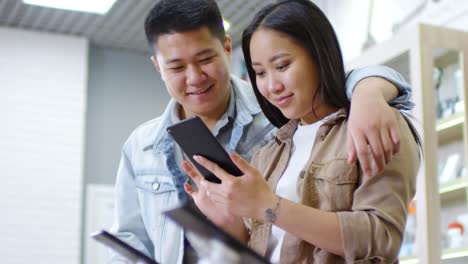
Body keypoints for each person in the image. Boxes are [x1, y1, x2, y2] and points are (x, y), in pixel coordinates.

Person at [110, 0, 414, 263]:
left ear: (226, 49)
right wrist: (229, 225)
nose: (194, 78)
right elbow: (262, 244)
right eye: (260, 73)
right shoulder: (278, 144)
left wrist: (370, 91)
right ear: (157, 67)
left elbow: (380, 239)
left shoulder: (277, 123)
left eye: (205, 59)